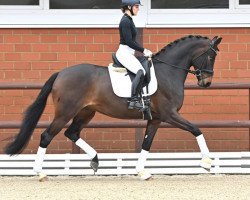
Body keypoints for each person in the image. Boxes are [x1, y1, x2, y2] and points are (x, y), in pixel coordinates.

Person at [116, 0, 153, 110]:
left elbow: (133, 41)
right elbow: (129, 41)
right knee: (140, 71)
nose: (138, 8)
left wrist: (144, 50)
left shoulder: (129, 20)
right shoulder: (125, 22)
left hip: (128, 52)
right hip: (124, 53)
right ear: (129, 7)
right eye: (136, 6)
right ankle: (133, 100)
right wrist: (143, 50)